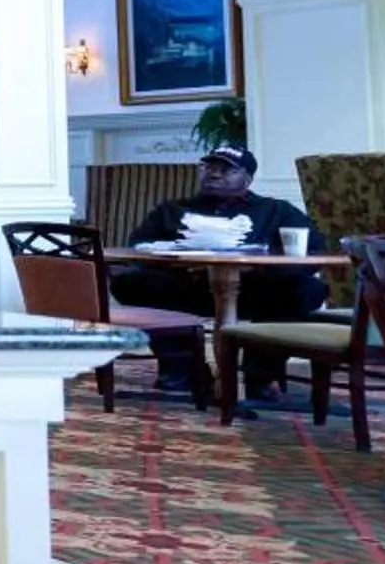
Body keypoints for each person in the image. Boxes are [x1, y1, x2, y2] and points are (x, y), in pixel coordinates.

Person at [112, 147, 327, 392]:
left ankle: (260, 376)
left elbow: (314, 250)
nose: (213, 174)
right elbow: (138, 247)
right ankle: (183, 369)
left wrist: (264, 268)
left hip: (253, 290)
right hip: (188, 289)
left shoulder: (276, 210)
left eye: (226, 170)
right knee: (132, 282)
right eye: (208, 167)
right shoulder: (173, 210)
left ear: (247, 179)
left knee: (307, 289)